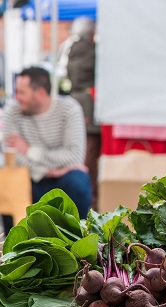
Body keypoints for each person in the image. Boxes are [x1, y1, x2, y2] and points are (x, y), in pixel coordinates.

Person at [1, 66, 92, 218]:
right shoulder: (12, 111)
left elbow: (75, 156)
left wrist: (30, 151)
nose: (17, 97)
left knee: (78, 181)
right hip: (30, 178)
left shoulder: (69, 109)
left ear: (41, 94)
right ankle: (14, 240)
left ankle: (77, 236)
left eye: (22, 92)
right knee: (9, 182)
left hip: (63, 179)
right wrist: (45, 172)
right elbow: (11, 156)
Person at [62, 17, 99, 209]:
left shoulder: (73, 50)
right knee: (89, 151)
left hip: (77, 100)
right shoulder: (93, 52)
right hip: (88, 104)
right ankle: (90, 197)